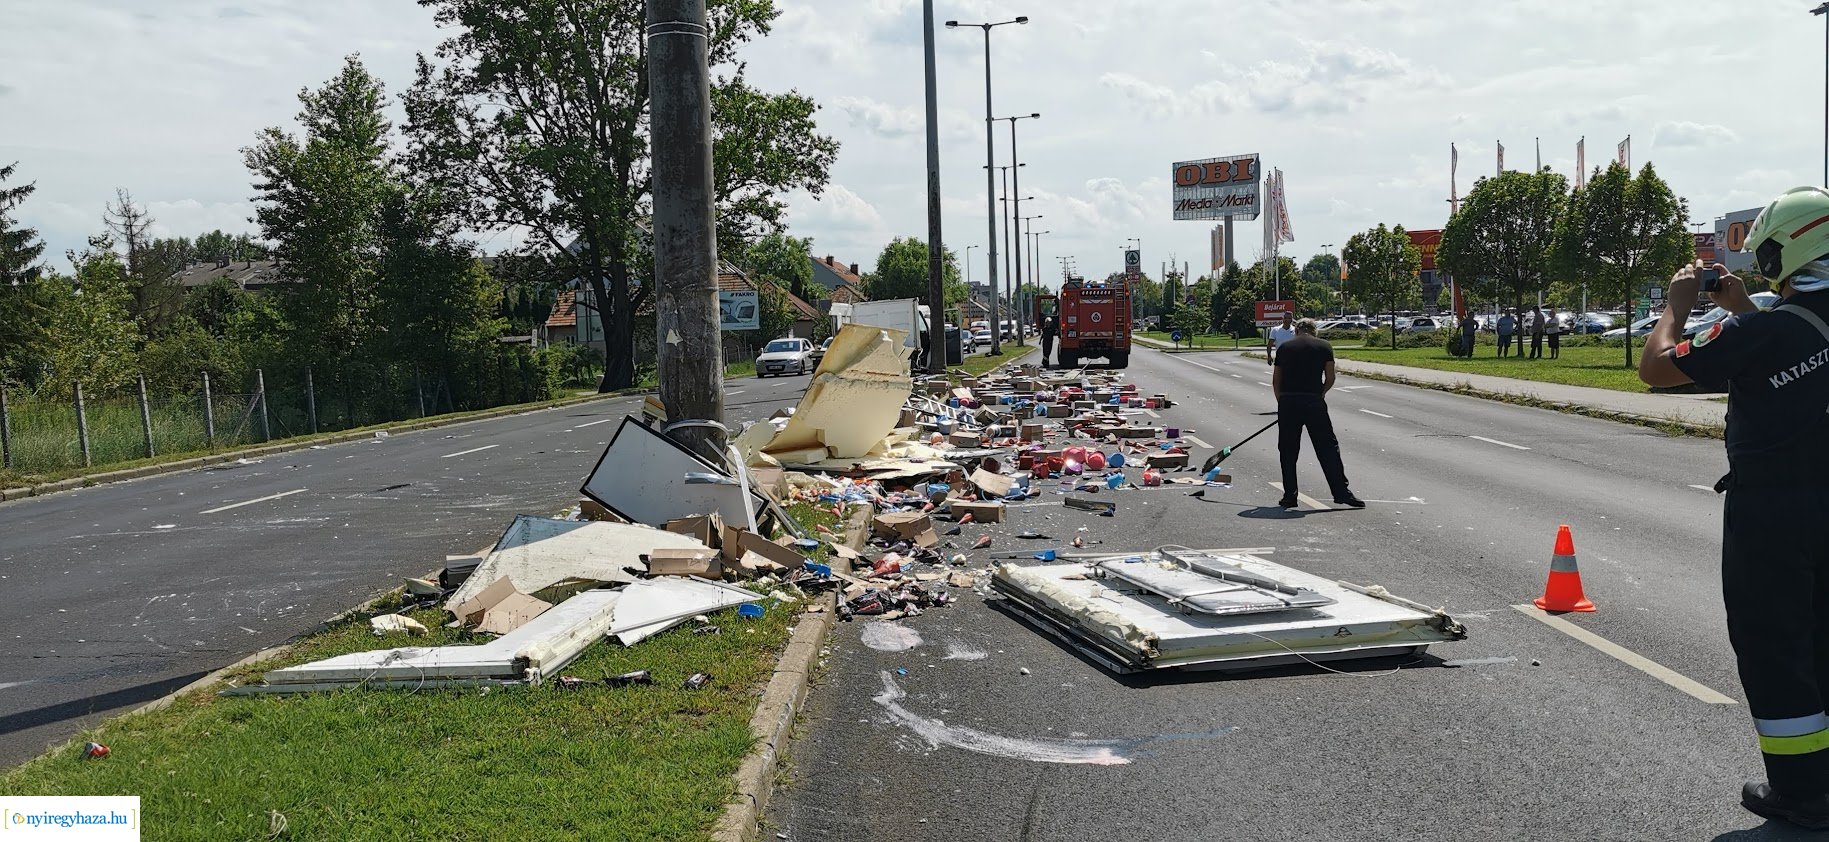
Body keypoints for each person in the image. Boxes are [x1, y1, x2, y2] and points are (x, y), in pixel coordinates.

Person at [1639, 185, 1829, 830]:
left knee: (1775, 644)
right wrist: (1741, 307)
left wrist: (1677, 306)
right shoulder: (1768, 326)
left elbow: (1657, 369)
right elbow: (1797, 356)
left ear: (1786, 252)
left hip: (1777, 511)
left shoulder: (1760, 331)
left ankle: (1803, 790)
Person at [1271, 318, 1364, 509]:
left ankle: (1290, 496)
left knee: (1288, 451)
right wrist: (1320, 393)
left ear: (1296, 331)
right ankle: (1341, 492)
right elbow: (1330, 377)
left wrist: (1283, 402)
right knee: (1328, 448)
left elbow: (1276, 380)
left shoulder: (1285, 348)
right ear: (1315, 331)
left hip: (1289, 401)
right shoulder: (1324, 347)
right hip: (1313, 401)